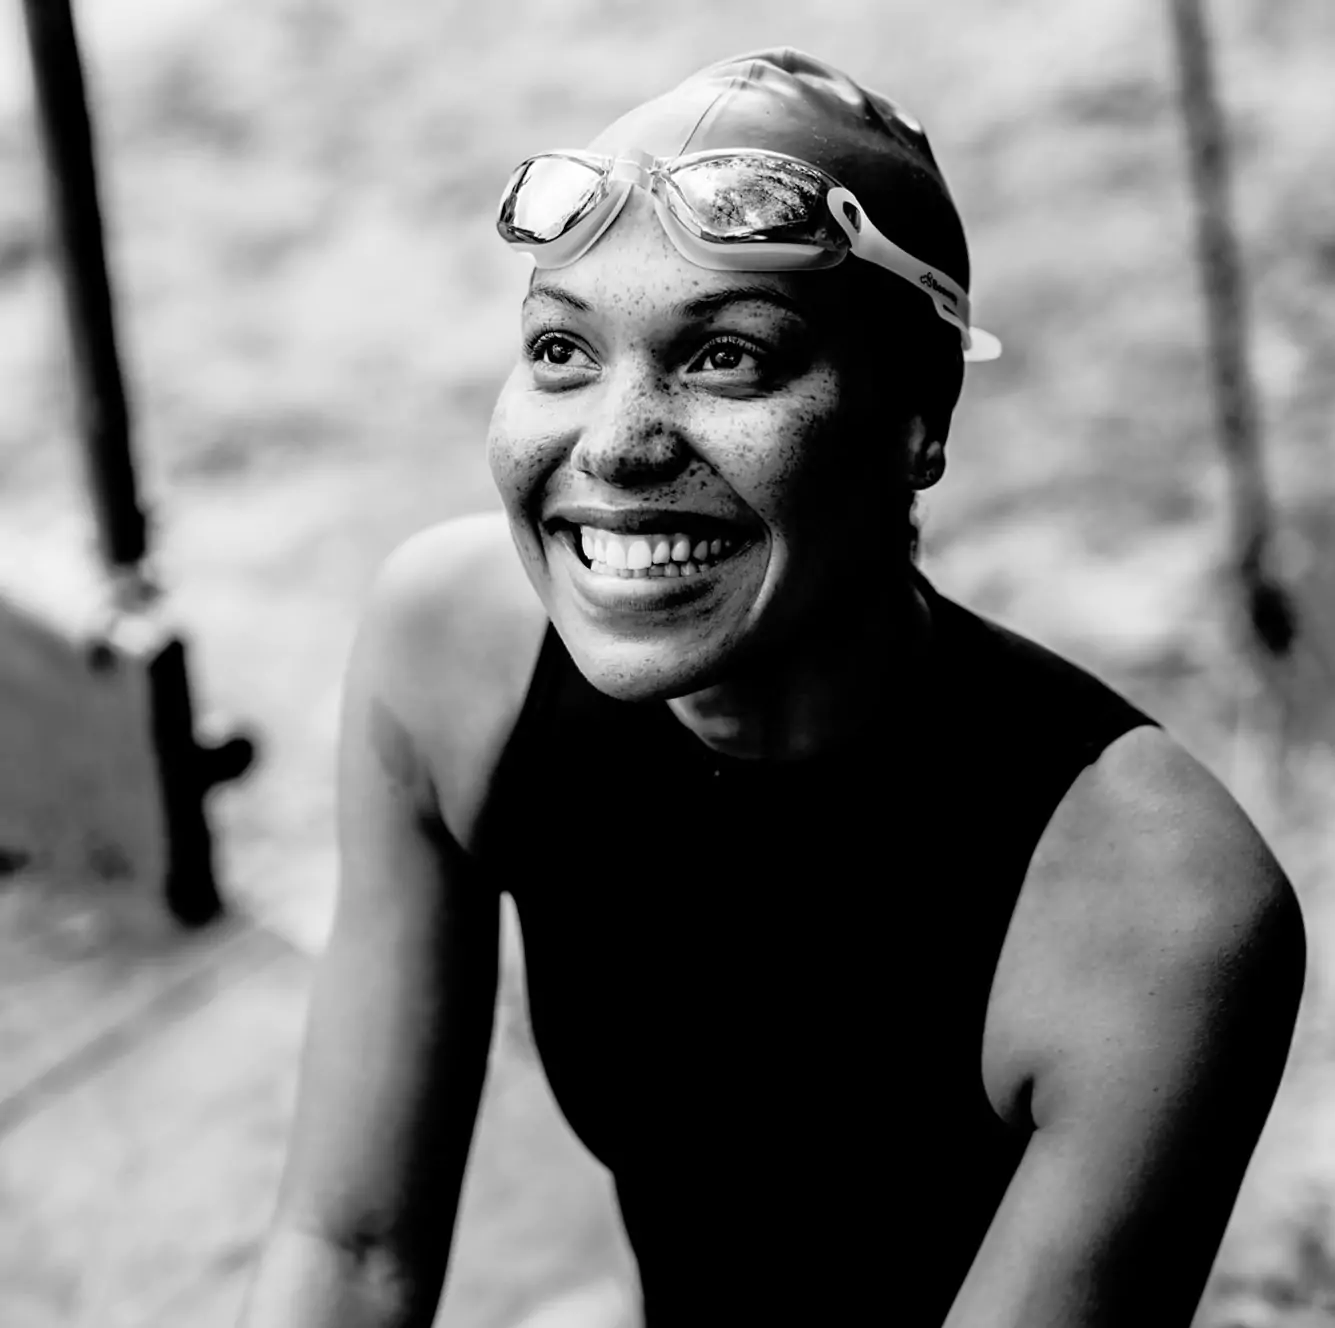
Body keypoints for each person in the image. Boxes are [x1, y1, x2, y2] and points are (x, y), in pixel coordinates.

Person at [240, 48, 1306, 1328]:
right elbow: (349, 1249)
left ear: (920, 416)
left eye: (728, 358)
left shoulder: (1154, 909)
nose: (618, 444)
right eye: (564, 347)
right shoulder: (448, 658)